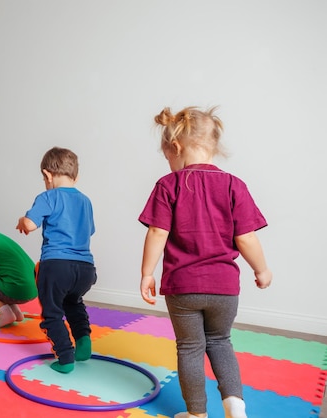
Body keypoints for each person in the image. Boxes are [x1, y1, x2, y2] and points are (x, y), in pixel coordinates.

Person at [138, 106, 272, 418]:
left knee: (190, 348)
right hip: (225, 288)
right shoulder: (234, 185)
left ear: (176, 147)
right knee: (221, 342)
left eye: (167, 157)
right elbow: (247, 238)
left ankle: (197, 414)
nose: (169, 164)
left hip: (182, 288)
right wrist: (261, 269)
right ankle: (236, 408)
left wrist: (147, 273)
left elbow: (158, 231)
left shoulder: (167, 185)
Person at [16, 146, 97, 374]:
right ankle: (83, 344)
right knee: (74, 302)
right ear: (76, 176)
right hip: (85, 269)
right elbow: (88, 231)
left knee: (52, 312)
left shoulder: (48, 196)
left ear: (47, 175)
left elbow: (31, 225)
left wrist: (23, 220)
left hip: (56, 266)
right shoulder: (85, 200)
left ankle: (65, 357)